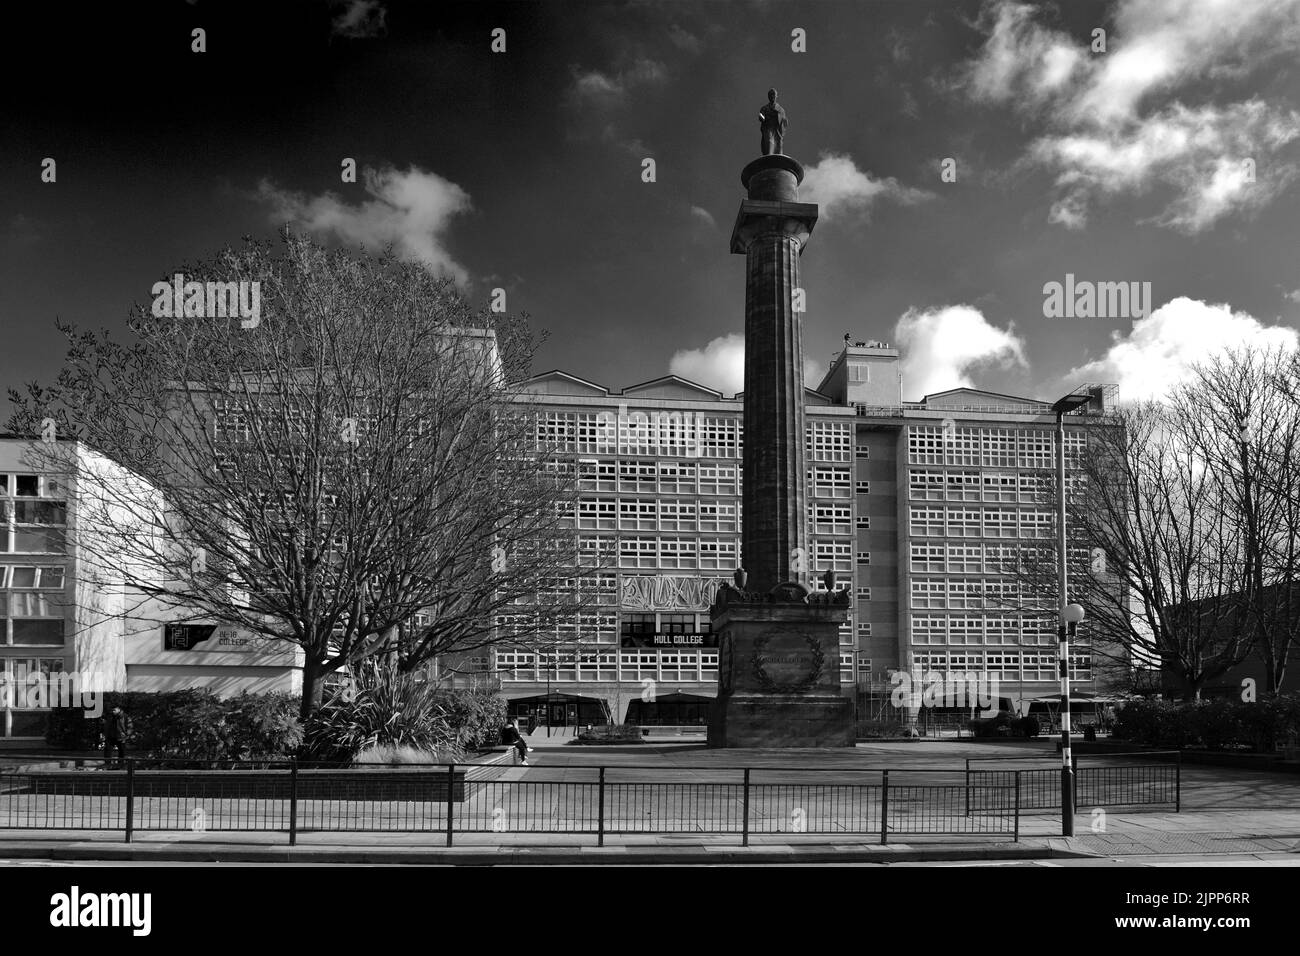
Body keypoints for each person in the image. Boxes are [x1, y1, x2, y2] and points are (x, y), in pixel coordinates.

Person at [103, 704, 132, 768]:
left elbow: (130, 726)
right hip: (110, 736)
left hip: (121, 737)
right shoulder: (110, 716)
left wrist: (126, 735)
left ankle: (120, 765)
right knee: (107, 750)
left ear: (119, 709)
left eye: (114, 710)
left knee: (122, 751)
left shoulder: (125, 716)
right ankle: (107, 764)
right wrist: (105, 734)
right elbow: (106, 726)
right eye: (112, 710)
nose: (113, 711)